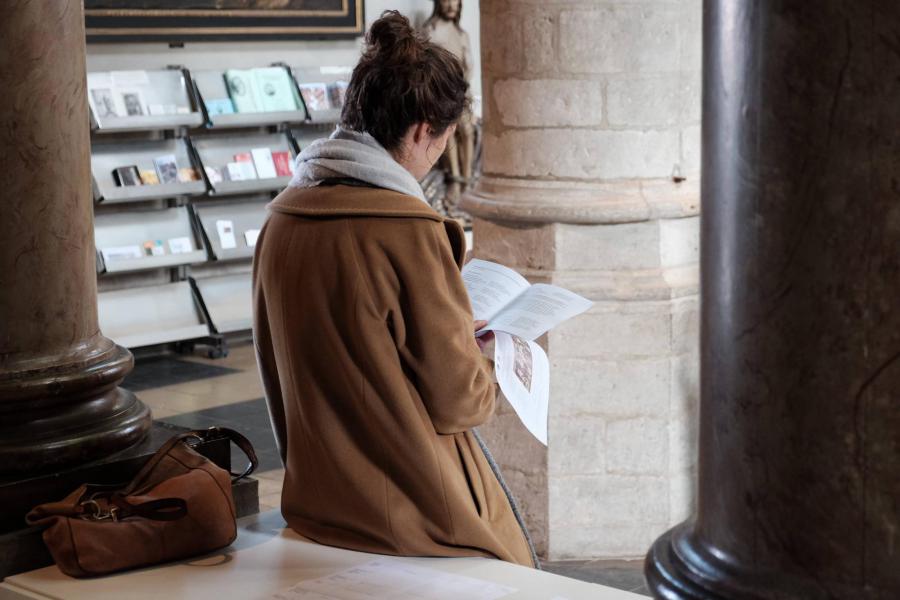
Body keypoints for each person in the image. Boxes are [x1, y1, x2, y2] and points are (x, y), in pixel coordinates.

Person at [252, 11, 537, 568]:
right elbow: (459, 401)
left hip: (317, 502)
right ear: (420, 130)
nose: (438, 157)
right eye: (445, 139)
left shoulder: (280, 220)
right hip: (411, 511)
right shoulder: (406, 231)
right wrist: (492, 358)